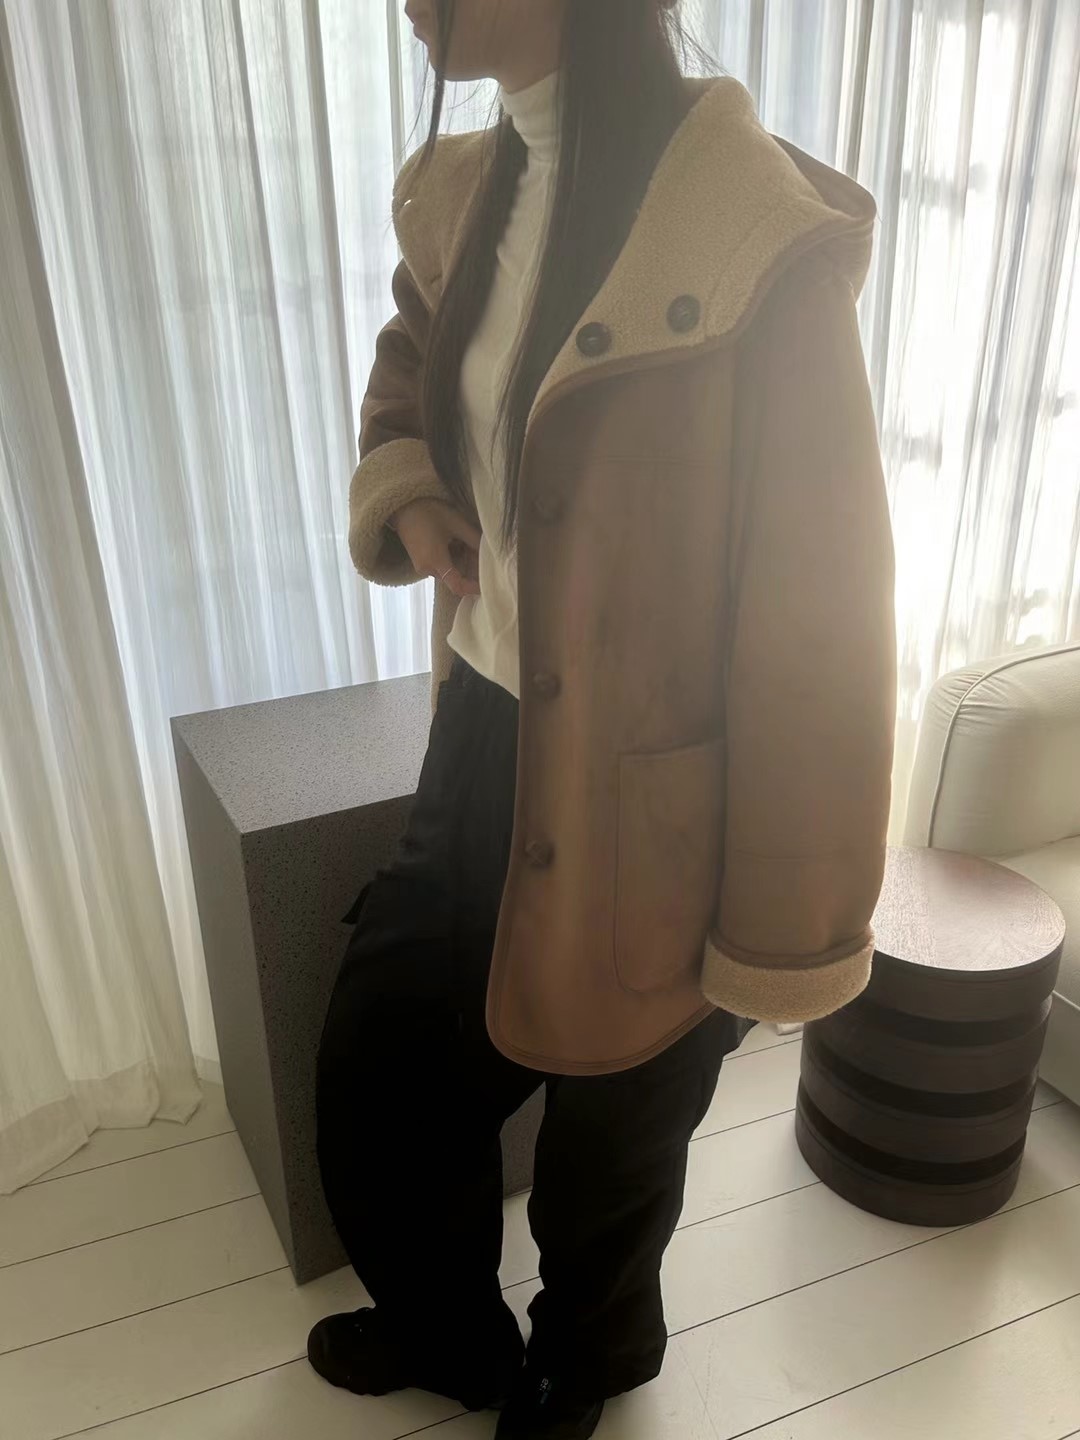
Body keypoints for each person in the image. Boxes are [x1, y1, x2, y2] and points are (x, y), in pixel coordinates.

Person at [310, 1, 896, 1435]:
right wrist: (414, 492)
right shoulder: (467, 189)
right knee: (388, 1063)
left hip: (658, 787)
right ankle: (452, 1334)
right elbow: (412, 355)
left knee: (617, 1131)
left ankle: (583, 1370)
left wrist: (781, 926)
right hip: (483, 729)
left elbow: (822, 615)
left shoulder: (753, 239)